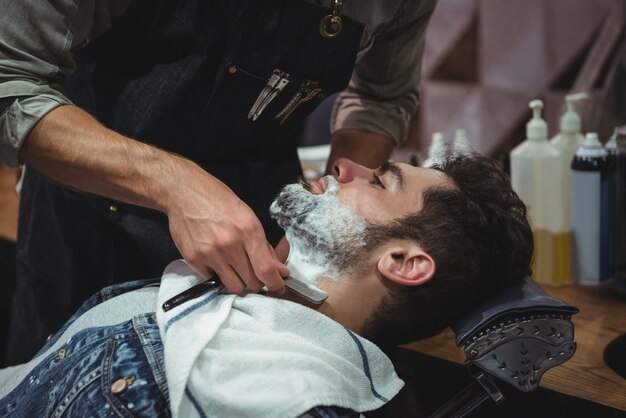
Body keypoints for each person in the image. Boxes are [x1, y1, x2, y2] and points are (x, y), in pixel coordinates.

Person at [0, 0, 439, 364]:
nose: (342, 176)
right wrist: (176, 185)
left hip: (251, 220)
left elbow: (383, 97)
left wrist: (336, 216)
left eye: (381, 182)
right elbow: (10, 81)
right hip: (83, 207)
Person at [0, 154, 533, 417]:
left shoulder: (304, 399)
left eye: (378, 181)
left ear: (403, 262)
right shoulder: (192, 289)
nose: (344, 164)